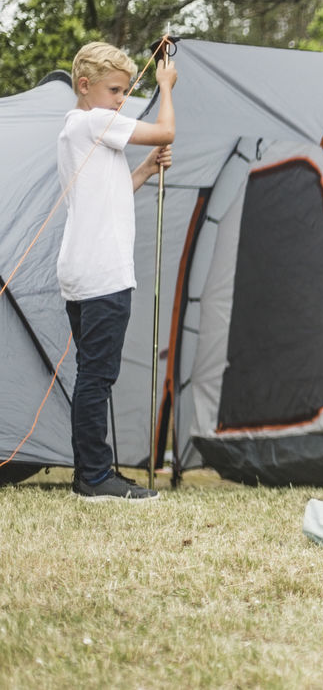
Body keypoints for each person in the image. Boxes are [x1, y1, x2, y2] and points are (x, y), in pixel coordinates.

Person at [58, 41, 176, 501]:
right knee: (97, 377)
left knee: (92, 373)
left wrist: (144, 170)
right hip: (103, 273)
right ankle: (93, 477)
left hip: (81, 270)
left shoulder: (77, 130)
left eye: (127, 92)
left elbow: (107, 196)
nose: (121, 101)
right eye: (115, 90)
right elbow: (166, 131)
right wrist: (164, 86)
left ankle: (93, 470)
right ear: (84, 87)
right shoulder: (93, 120)